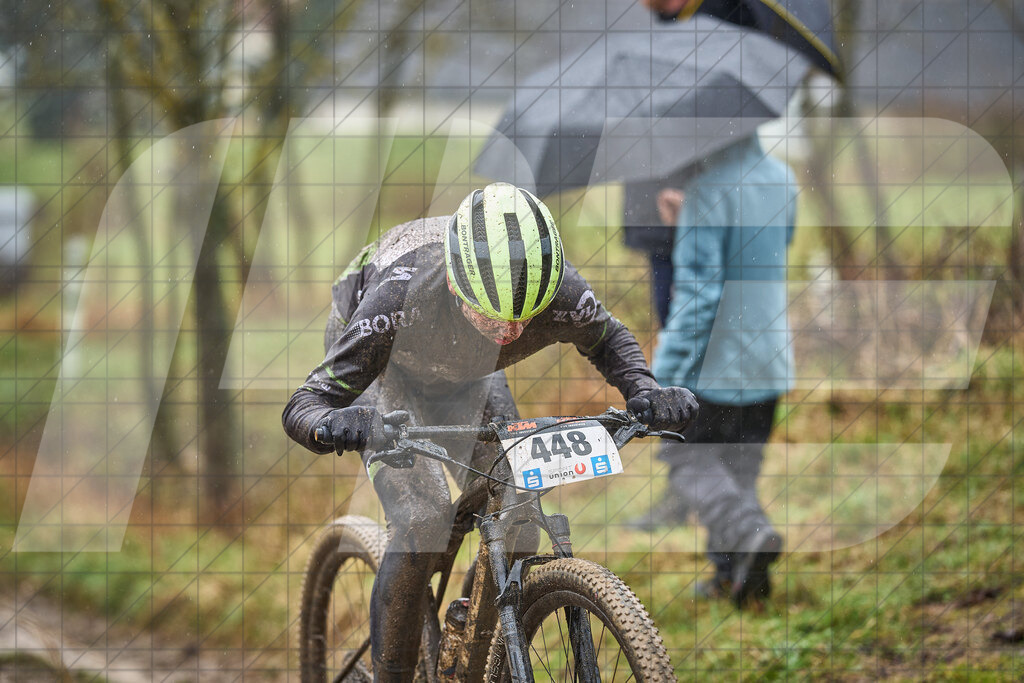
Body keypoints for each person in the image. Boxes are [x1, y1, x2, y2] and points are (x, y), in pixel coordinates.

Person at [283, 182, 699, 681]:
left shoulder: (560, 290)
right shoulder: (398, 295)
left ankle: (472, 637)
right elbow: (304, 404)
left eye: (524, 319)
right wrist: (334, 422)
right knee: (422, 518)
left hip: (468, 374)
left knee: (518, 509)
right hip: (384, 371)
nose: (508, 331)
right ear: (455, 284)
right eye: (493, 316)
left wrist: (645, 390)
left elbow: (608, 339)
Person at [628, 136, 795, 610]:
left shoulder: (707, 191)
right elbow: (762, 248)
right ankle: (739, 579)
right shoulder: (783, 179)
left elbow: (699, 300)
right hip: (768, 359)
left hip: (718, 365)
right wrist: (696, 224)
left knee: (687, 460)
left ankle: (746, 532)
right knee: (738, 472)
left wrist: (660, 378)